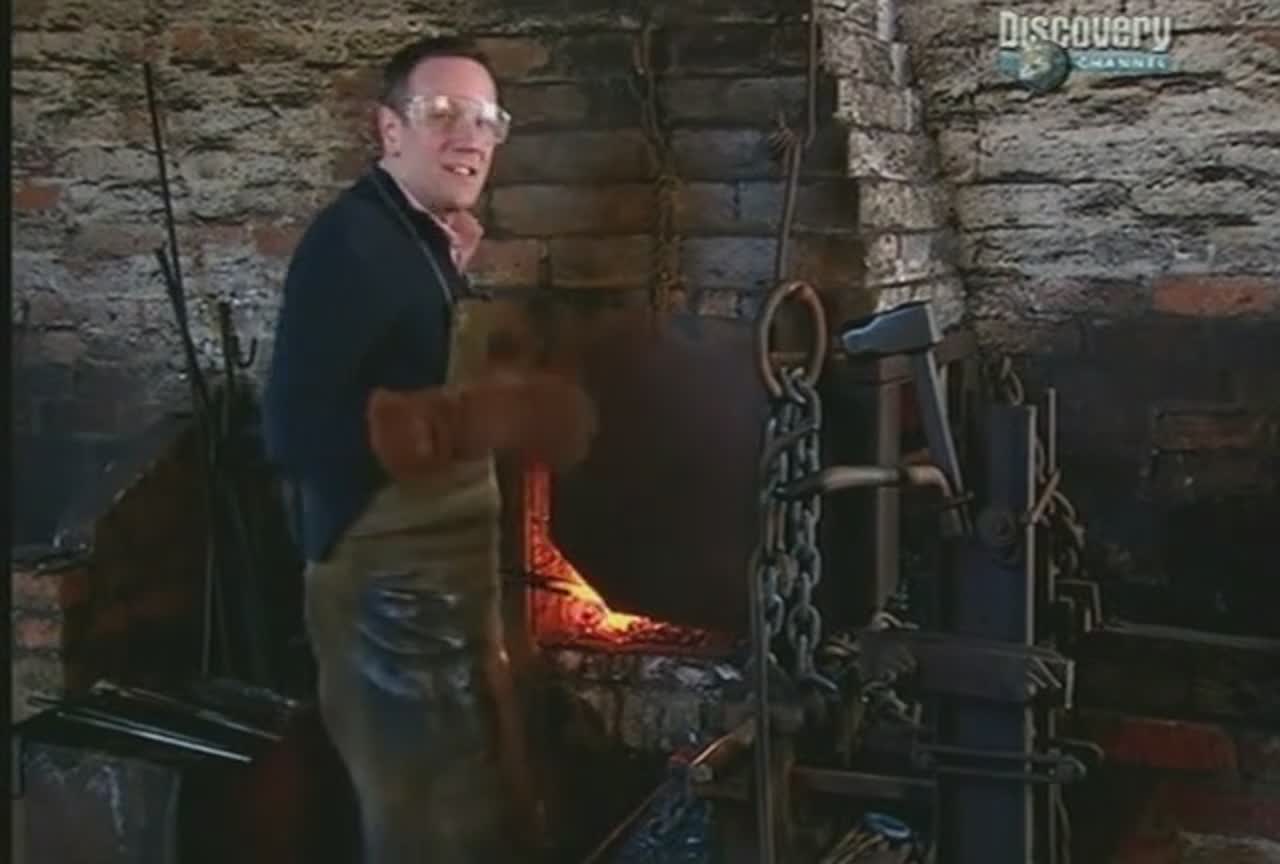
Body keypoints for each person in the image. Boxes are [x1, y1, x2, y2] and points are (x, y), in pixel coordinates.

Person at [262, 35, 595, 863]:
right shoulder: (352, 243)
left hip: (443, 586)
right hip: (385, 592)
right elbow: (293, 429)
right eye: (442, 113)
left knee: (478, 808)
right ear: (390, 129)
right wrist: (463, 421)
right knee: (429, 829)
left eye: (486, 119)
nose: (469, 136)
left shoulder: (417, 235)